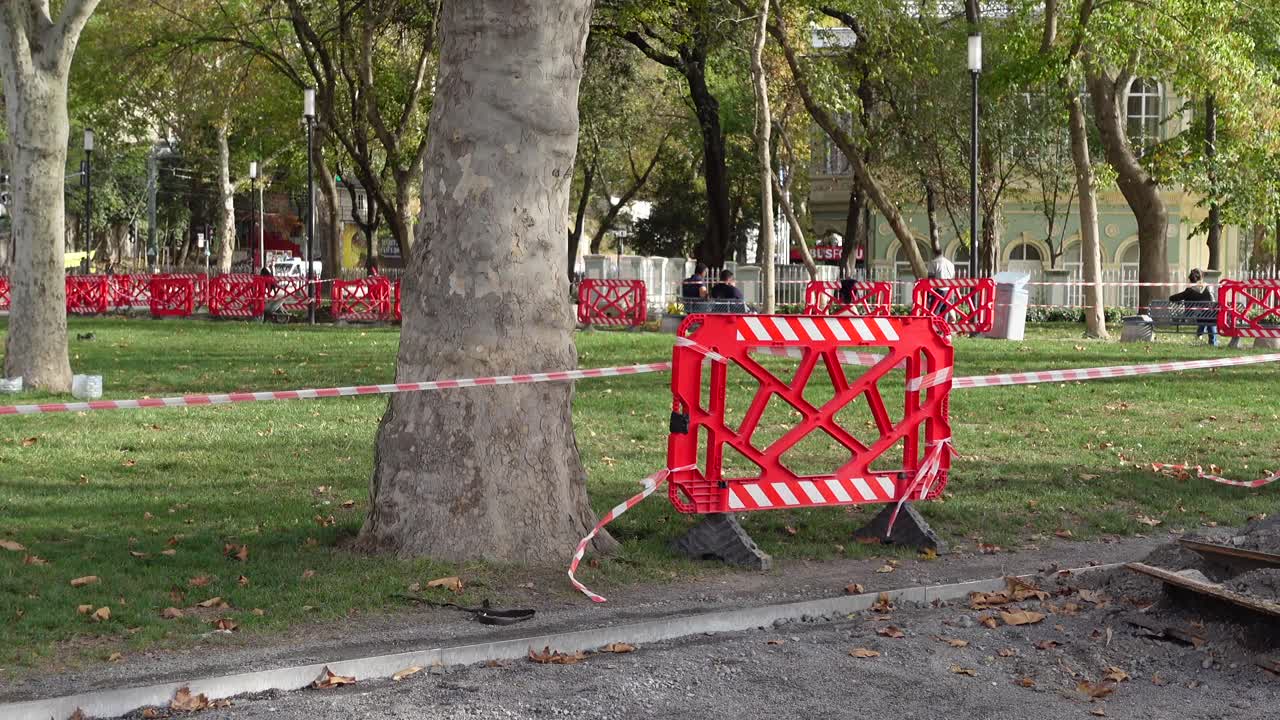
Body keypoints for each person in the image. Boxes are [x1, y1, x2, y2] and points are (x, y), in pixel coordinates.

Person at [1169, 268, 1217, 346]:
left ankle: (1200, 335)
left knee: (1203, 316)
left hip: (1195, 315)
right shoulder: (1207, 288)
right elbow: (1213, 301)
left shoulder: (1189, 290)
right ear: (1201, 278)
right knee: (1209, 316)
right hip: (1210, 315)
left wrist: (1172, 298)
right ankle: (1212, 342)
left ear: (1190, 279)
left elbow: (1175, 298)